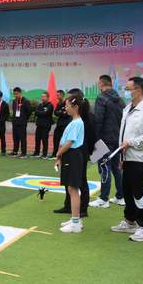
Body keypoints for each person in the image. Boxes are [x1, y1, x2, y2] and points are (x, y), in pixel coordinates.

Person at [110, 77, 143, 242]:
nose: (125, 92)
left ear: (138, 90)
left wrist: (131, 143)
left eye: (128, 89)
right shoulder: (128, 108)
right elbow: (124, 133)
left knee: (140, 193)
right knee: (128, 191)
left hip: (142, 159)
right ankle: (130, 221)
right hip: (128, 157)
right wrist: (122, 155)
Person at [54, 89, 94, 218]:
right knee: (71, 185)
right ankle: (69, 207)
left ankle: (82, 210)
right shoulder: (74, 119)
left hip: (79, 152)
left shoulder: (84, 118)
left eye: (69, 102)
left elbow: (91, 136)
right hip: (72, 153)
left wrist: (59, 153)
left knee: (79, 182)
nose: (66, 107)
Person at [89, 75, 126, 209]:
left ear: (101, 83)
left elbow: (98, 120)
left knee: (104, 167)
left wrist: (95, 140)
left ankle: (103, 198)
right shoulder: (121, 100)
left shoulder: (101, 98)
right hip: (117, 139)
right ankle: (120, 196)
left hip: (104, 139)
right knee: (115, 168)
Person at [55, 96, 86, 233]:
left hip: (72, 156)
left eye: (67, 106)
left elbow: (69, 143)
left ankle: (75, 223)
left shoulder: (76, 123)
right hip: (70, 156)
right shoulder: (75, 122)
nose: (65, 108)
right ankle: (75, 219)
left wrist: (58, 154)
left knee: (73, 190)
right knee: (71, 189)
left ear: (75, 107)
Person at [11, 87, 31, 158]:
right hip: (15, 122)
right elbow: (14, 111)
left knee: (22, 138)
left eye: (16, 94)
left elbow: (29, 112)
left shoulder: (26, 101)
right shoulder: (14, 101)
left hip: (22, 123)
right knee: (15, 137)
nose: (15, 95)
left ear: (20, 93)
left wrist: (24, 119)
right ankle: (15, 151)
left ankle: (23, 152)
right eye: (14, 94)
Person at [33, 92, 54, 159]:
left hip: (46, 125)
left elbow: (46, 113)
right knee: (37, 139)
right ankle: (36, 153)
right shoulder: (40, 105)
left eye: (44, 97)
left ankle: (44, 154)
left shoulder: (50, 105)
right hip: (39, 125)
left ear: (48, 97)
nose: (42, 98)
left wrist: (40, 113)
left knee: (44, 139)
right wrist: (41, 112)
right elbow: (36, 112)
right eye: (42, 97)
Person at [51, 90, 70, 159]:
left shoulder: (67, 102)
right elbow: (55, 113)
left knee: (65, 141)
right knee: (55, 139)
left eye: (58, 95)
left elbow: (66, 114)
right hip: (59, 124)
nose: (57, 97)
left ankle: (64, 155)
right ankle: (54, 154)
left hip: (65, 125)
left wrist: (60, 113)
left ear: (62, 95)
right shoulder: (59, 103)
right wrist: (61, 112)